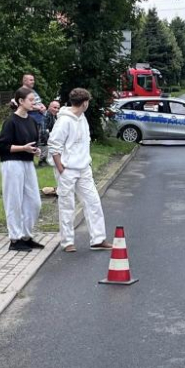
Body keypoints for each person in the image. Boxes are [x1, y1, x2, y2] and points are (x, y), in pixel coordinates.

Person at [48, 88, 112, 253]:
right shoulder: (64, 121)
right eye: (88, 102)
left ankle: (98, 239)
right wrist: (61, 168)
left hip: (83, 168)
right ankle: (67, 241)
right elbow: (54, 145)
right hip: (67, 169)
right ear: (84, 103)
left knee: (93, 202)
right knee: (67, 205)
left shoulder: (82, 118)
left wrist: (86, 163)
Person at [0, 87, 44, 251]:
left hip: (27, 163)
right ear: (21, 101)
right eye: (31, 100)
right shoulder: (11, 121)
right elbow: (1, 145)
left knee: (34, 202)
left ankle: (26, 236)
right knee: (14, 201)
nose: (34, 103)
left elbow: (32, 143)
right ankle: (15, 239)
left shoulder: (32, 121)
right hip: (12, 163)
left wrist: (35, 150)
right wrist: (23, 148)